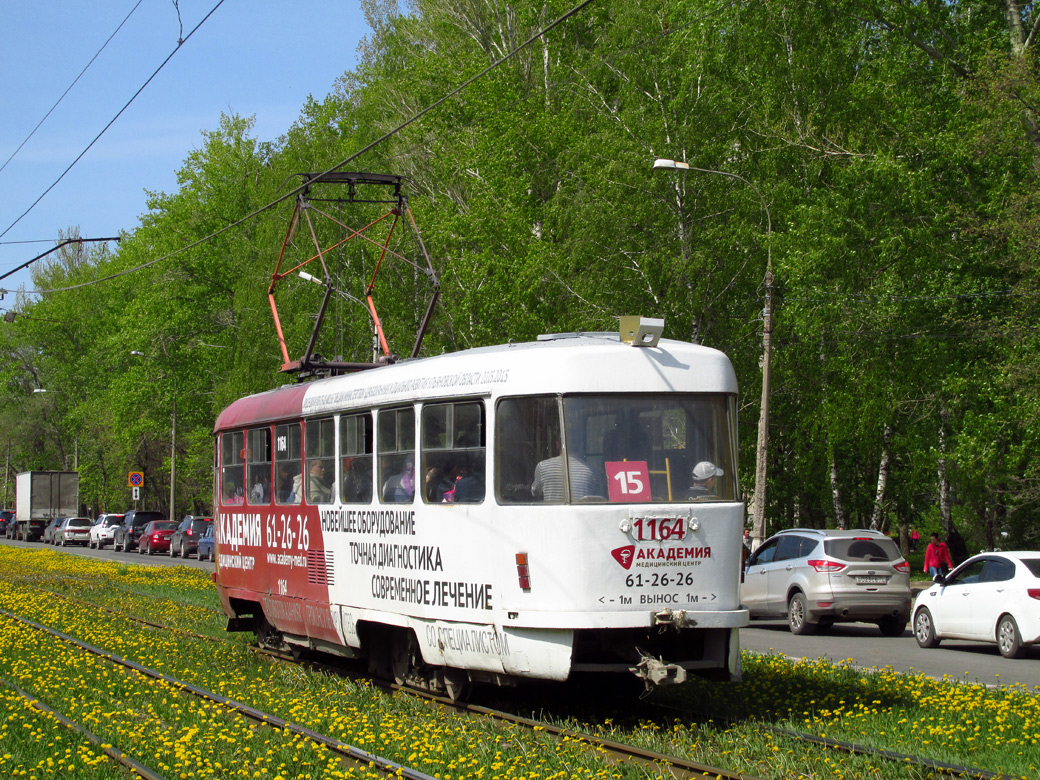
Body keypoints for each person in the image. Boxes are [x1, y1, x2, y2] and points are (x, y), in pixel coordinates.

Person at [532, 450, 600, 502]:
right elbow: (597, 499)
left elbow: (535, 492)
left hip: (551, 517)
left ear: (557, 444)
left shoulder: (542, 466)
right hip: (580, 518)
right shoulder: (592, 471)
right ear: (581, 445)